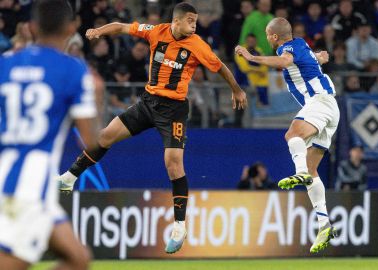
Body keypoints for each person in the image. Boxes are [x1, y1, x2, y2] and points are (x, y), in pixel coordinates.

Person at [56, 2, 247, 254]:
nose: (194, 24)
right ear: (176, 21)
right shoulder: (156, 31)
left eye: (195, 20)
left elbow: (220, 66)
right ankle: (68, 179)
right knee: (105, 136)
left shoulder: (197, 44)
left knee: (173, 162)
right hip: (148, 103)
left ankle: (179, 226)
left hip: (174, 110)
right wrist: (100, 30)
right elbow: (123, 27)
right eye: (190, 20)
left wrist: (236, 89)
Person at [0, 0, 98, 269]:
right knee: (14, 263)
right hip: (29, 184)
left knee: (78, 258)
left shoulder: (6, 63)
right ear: (71, 28)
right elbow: (91, 141)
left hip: (11, 173)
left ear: (31, 27)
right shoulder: (74, 70)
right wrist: (97, 97)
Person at [236, 17, 339, 253]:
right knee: (314, 172)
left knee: (292, 134)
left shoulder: (287, 48)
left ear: (273, 37)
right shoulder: (302, 44)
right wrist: (321, 57)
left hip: (320, 102)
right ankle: (324, 224)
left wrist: (253, 58)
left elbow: (285, 61)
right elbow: (315, 61)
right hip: (332, 109)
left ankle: (299, 172)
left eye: (267, 34)